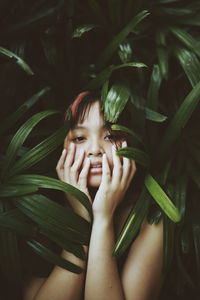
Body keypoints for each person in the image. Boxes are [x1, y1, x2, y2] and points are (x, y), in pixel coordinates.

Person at [23, 91, 164, 300]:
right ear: (60, 146)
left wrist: (103, 219)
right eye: (80, 137)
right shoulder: (33, 212)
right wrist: (81, 222)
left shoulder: (151, 218)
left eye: (110, 136)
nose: (95, 150)